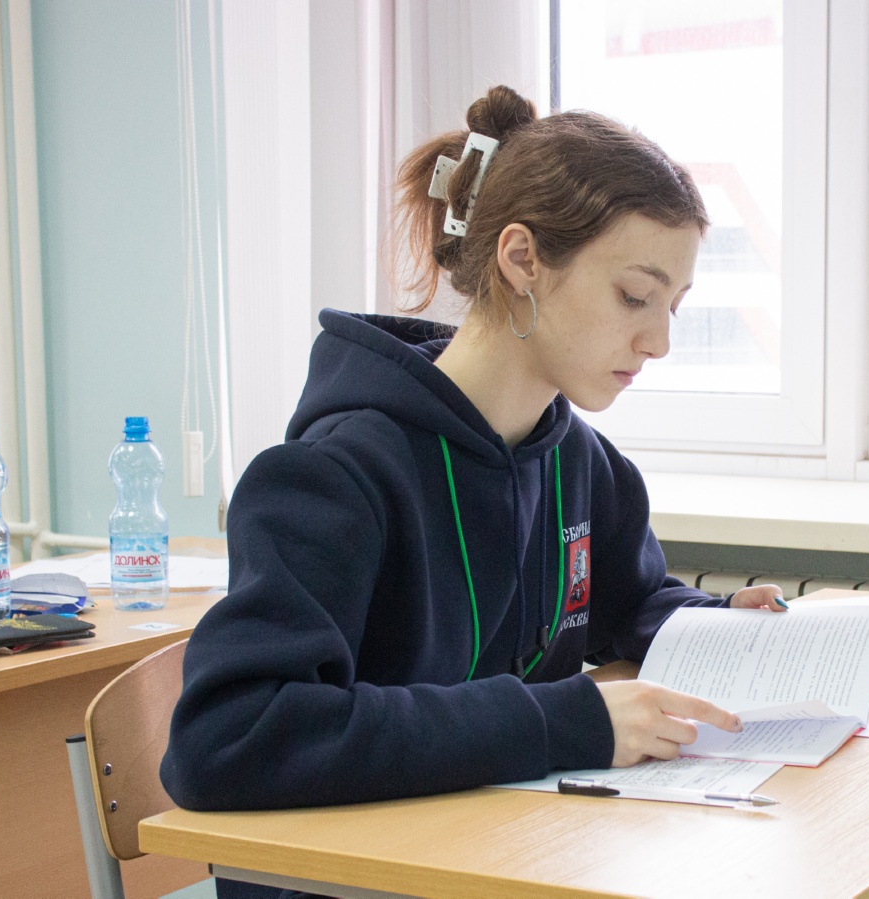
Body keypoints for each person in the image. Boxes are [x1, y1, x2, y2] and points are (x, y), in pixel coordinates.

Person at [160, 85, 786, 849]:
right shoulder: (330, 477)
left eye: (673, 307)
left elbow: (629, 601)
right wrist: (557, 721)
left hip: (510, 847)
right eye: (634, 297)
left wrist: (721, 624)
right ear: (522, 259)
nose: (659, 342)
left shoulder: (580, 461)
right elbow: (228, 737)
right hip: (357, 875)